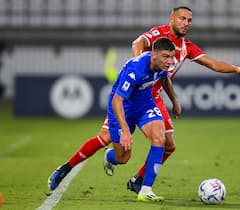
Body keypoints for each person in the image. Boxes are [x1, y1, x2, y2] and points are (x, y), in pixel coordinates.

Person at [124, 6, 240, 193]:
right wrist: (140, 64)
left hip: (155, 97)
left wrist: (235, 68)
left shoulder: (186, 47)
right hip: (139, 96)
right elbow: (137, 43)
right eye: (182, 19)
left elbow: (214, 64)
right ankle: (118, 162)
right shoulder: (158, 34)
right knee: (114, 143)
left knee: (169, 146)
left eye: (189, 21)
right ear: (172, 18)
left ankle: (138, 180)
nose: (186, 23)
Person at [48, 37, 181, 202]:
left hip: (144, 105)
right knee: (122, 157)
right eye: (166, 57)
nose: (170, 61)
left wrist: (174, 101)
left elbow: (164, 78)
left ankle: (145, 189)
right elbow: (117, 100)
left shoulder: (163, 65)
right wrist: (125, 131)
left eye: (171, 56)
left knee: (159, 138)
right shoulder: (136, 69)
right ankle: (67, 167)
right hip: (121, 106)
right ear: (153, 54)